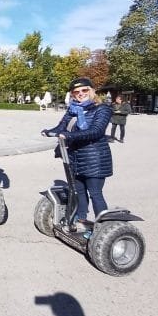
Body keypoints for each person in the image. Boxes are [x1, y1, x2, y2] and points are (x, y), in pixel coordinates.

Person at [41, 77, 112, 229]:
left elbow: (96, 132)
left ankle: (104, 228)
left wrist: (69, 136)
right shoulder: (72, 110)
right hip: (75, 158)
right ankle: (81, 220)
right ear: (73, 95)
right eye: (76, 92)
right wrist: (48, 132)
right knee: (78, 191)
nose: (80, 94)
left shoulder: (102, 109)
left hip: (95, 159)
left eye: (84, 90)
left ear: (92, 91)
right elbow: (61, 127)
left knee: (95, 193)